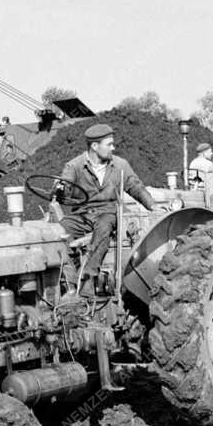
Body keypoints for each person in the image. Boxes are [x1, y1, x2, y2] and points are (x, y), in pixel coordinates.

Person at [56, 123, 157, 298]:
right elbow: (64, 187)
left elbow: (136, 186)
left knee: (104, 226)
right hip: (83, 213)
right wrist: (61, 188)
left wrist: (153, 205)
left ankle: (89, 278)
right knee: (58, 231)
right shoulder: (75, 166)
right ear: (95, 147)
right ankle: (70, 279)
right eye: (109, 144)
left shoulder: (119, 165)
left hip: (110, 211)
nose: (113, 147)